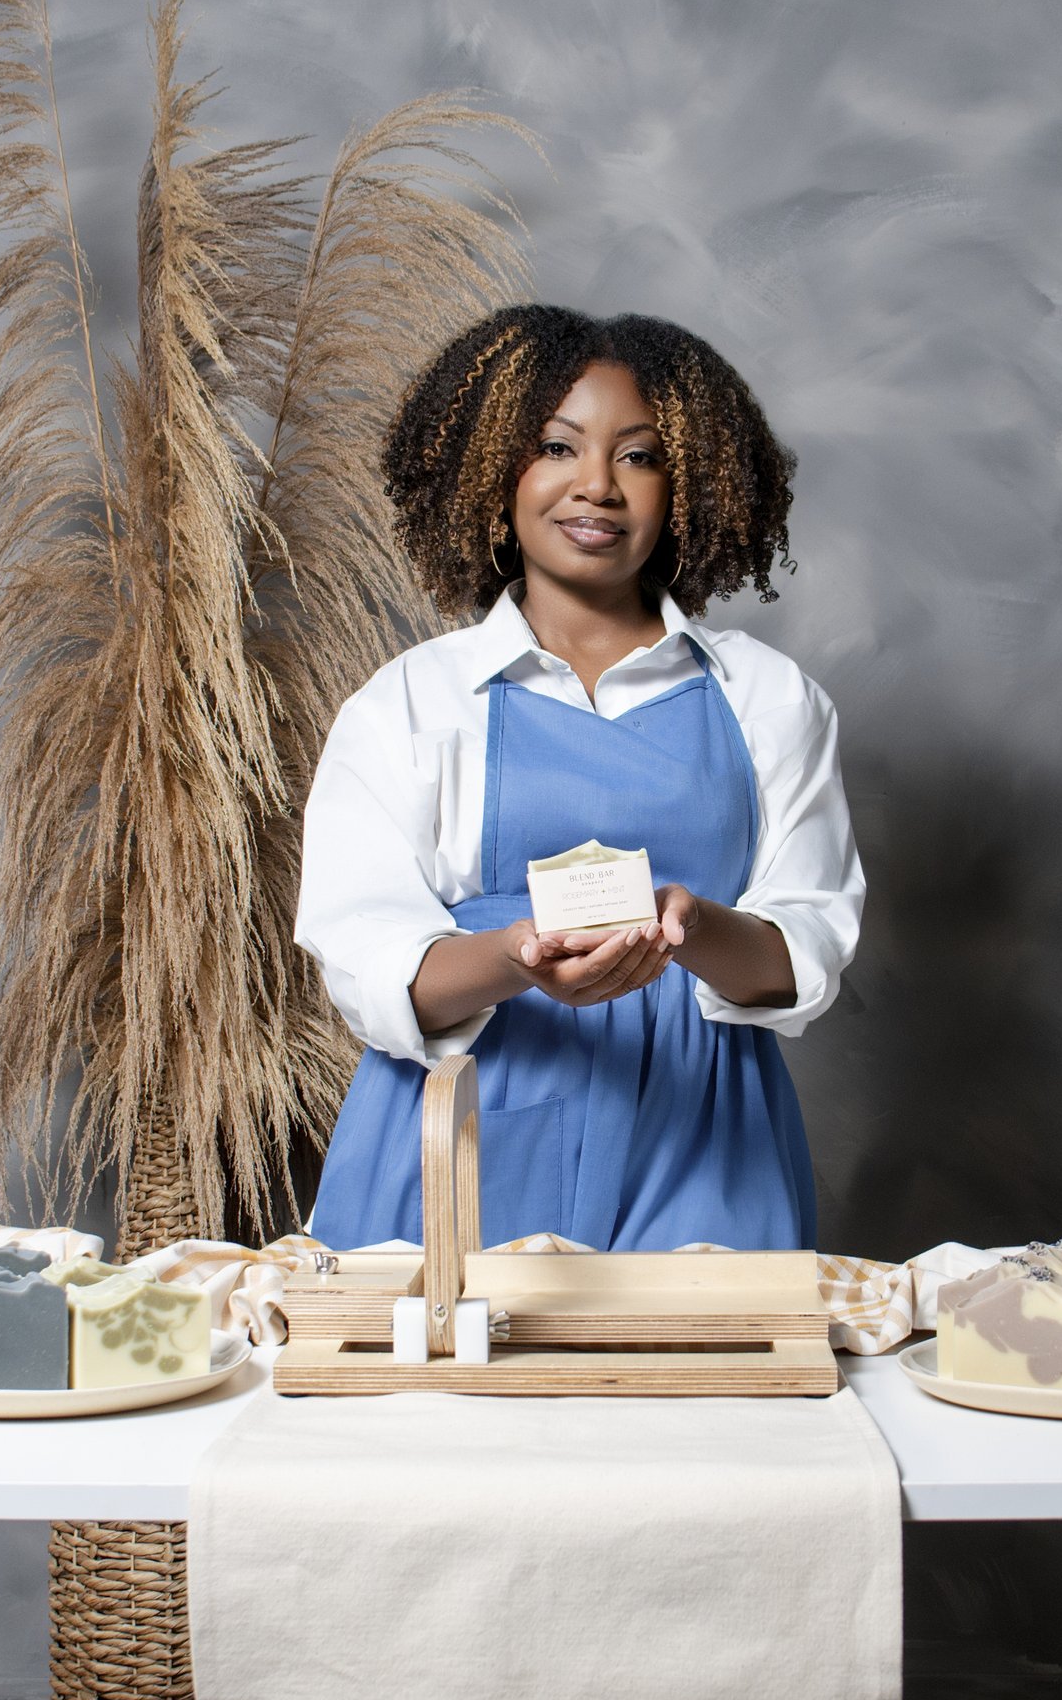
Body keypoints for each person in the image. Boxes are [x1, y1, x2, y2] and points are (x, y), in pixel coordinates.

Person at [296, 303, 864, 1250]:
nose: (596, 485)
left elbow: (802, 952)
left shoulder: (769, 698)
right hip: (462, 1125)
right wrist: (520, 956)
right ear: (491, 472)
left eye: (638, 456)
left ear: (689, 484)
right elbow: (366, 958)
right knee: (436, 1394)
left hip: (703, 1136)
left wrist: (689, 924)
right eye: (556, 448)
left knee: (707, 1391)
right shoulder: (409, 703)